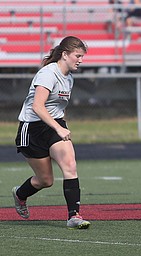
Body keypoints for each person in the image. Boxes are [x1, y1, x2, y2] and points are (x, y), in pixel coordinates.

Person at [12, 36, 91, 229]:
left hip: (54, 125)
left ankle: (74, 216)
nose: (80, 60)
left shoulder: (69, 78)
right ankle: (20, 194)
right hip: (32, 129)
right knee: (45, 180)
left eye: (82, 56)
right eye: (77, 56)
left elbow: (58, 107)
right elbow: (38, 107)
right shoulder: (48, 74)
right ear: (65, 55)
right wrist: (58, 127)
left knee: (70, 165)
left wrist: (60, 124)